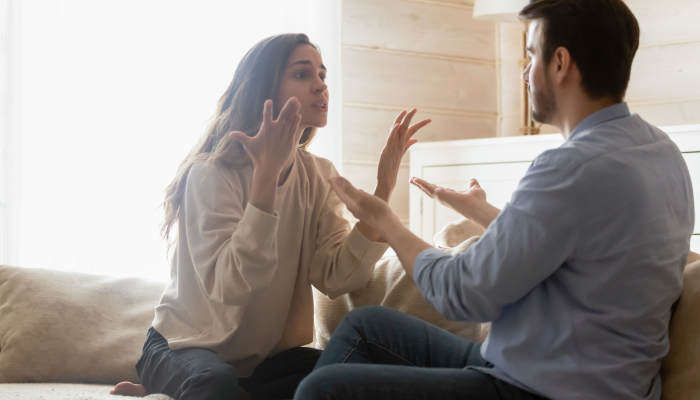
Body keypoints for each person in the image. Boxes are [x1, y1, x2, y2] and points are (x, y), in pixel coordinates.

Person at [295, 0, 695, 399]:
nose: (524, 71)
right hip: (570, 373)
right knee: (367, 326)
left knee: (321, 389)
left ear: (560, 63)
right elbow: (579, 247)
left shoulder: (570, 167)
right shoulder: (662, 152)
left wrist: (389, 225)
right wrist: (484, 212)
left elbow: (464, 293)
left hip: (540, 390)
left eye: (531, 54)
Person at [109, 33, 430, 400]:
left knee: (354, 377)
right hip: (184, 347)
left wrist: (382, 192)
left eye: (323, 76)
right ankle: (175, 383)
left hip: (260, 363)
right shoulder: (210, 174)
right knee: (215, 385)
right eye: (302, 74)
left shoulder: (318, 175)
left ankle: (175, 392)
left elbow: (335, 276)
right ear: (265, 87)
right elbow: (233, 286)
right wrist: (265, 181)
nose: (320, 87)